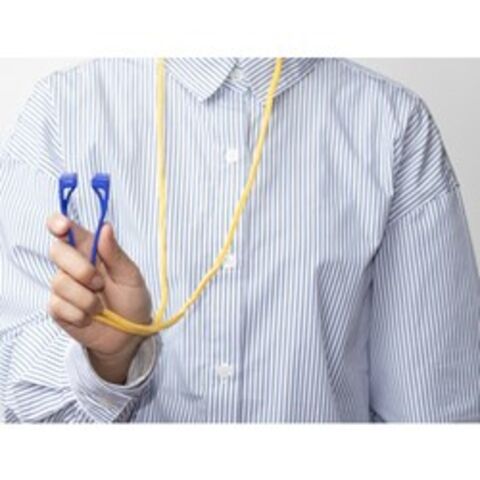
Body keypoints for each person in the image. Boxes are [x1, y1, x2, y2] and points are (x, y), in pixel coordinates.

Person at [0, 57, 478, 422]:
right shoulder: (61, 115)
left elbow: (436, 424)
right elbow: (16, 413)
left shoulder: (393, 129)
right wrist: (109, 362)